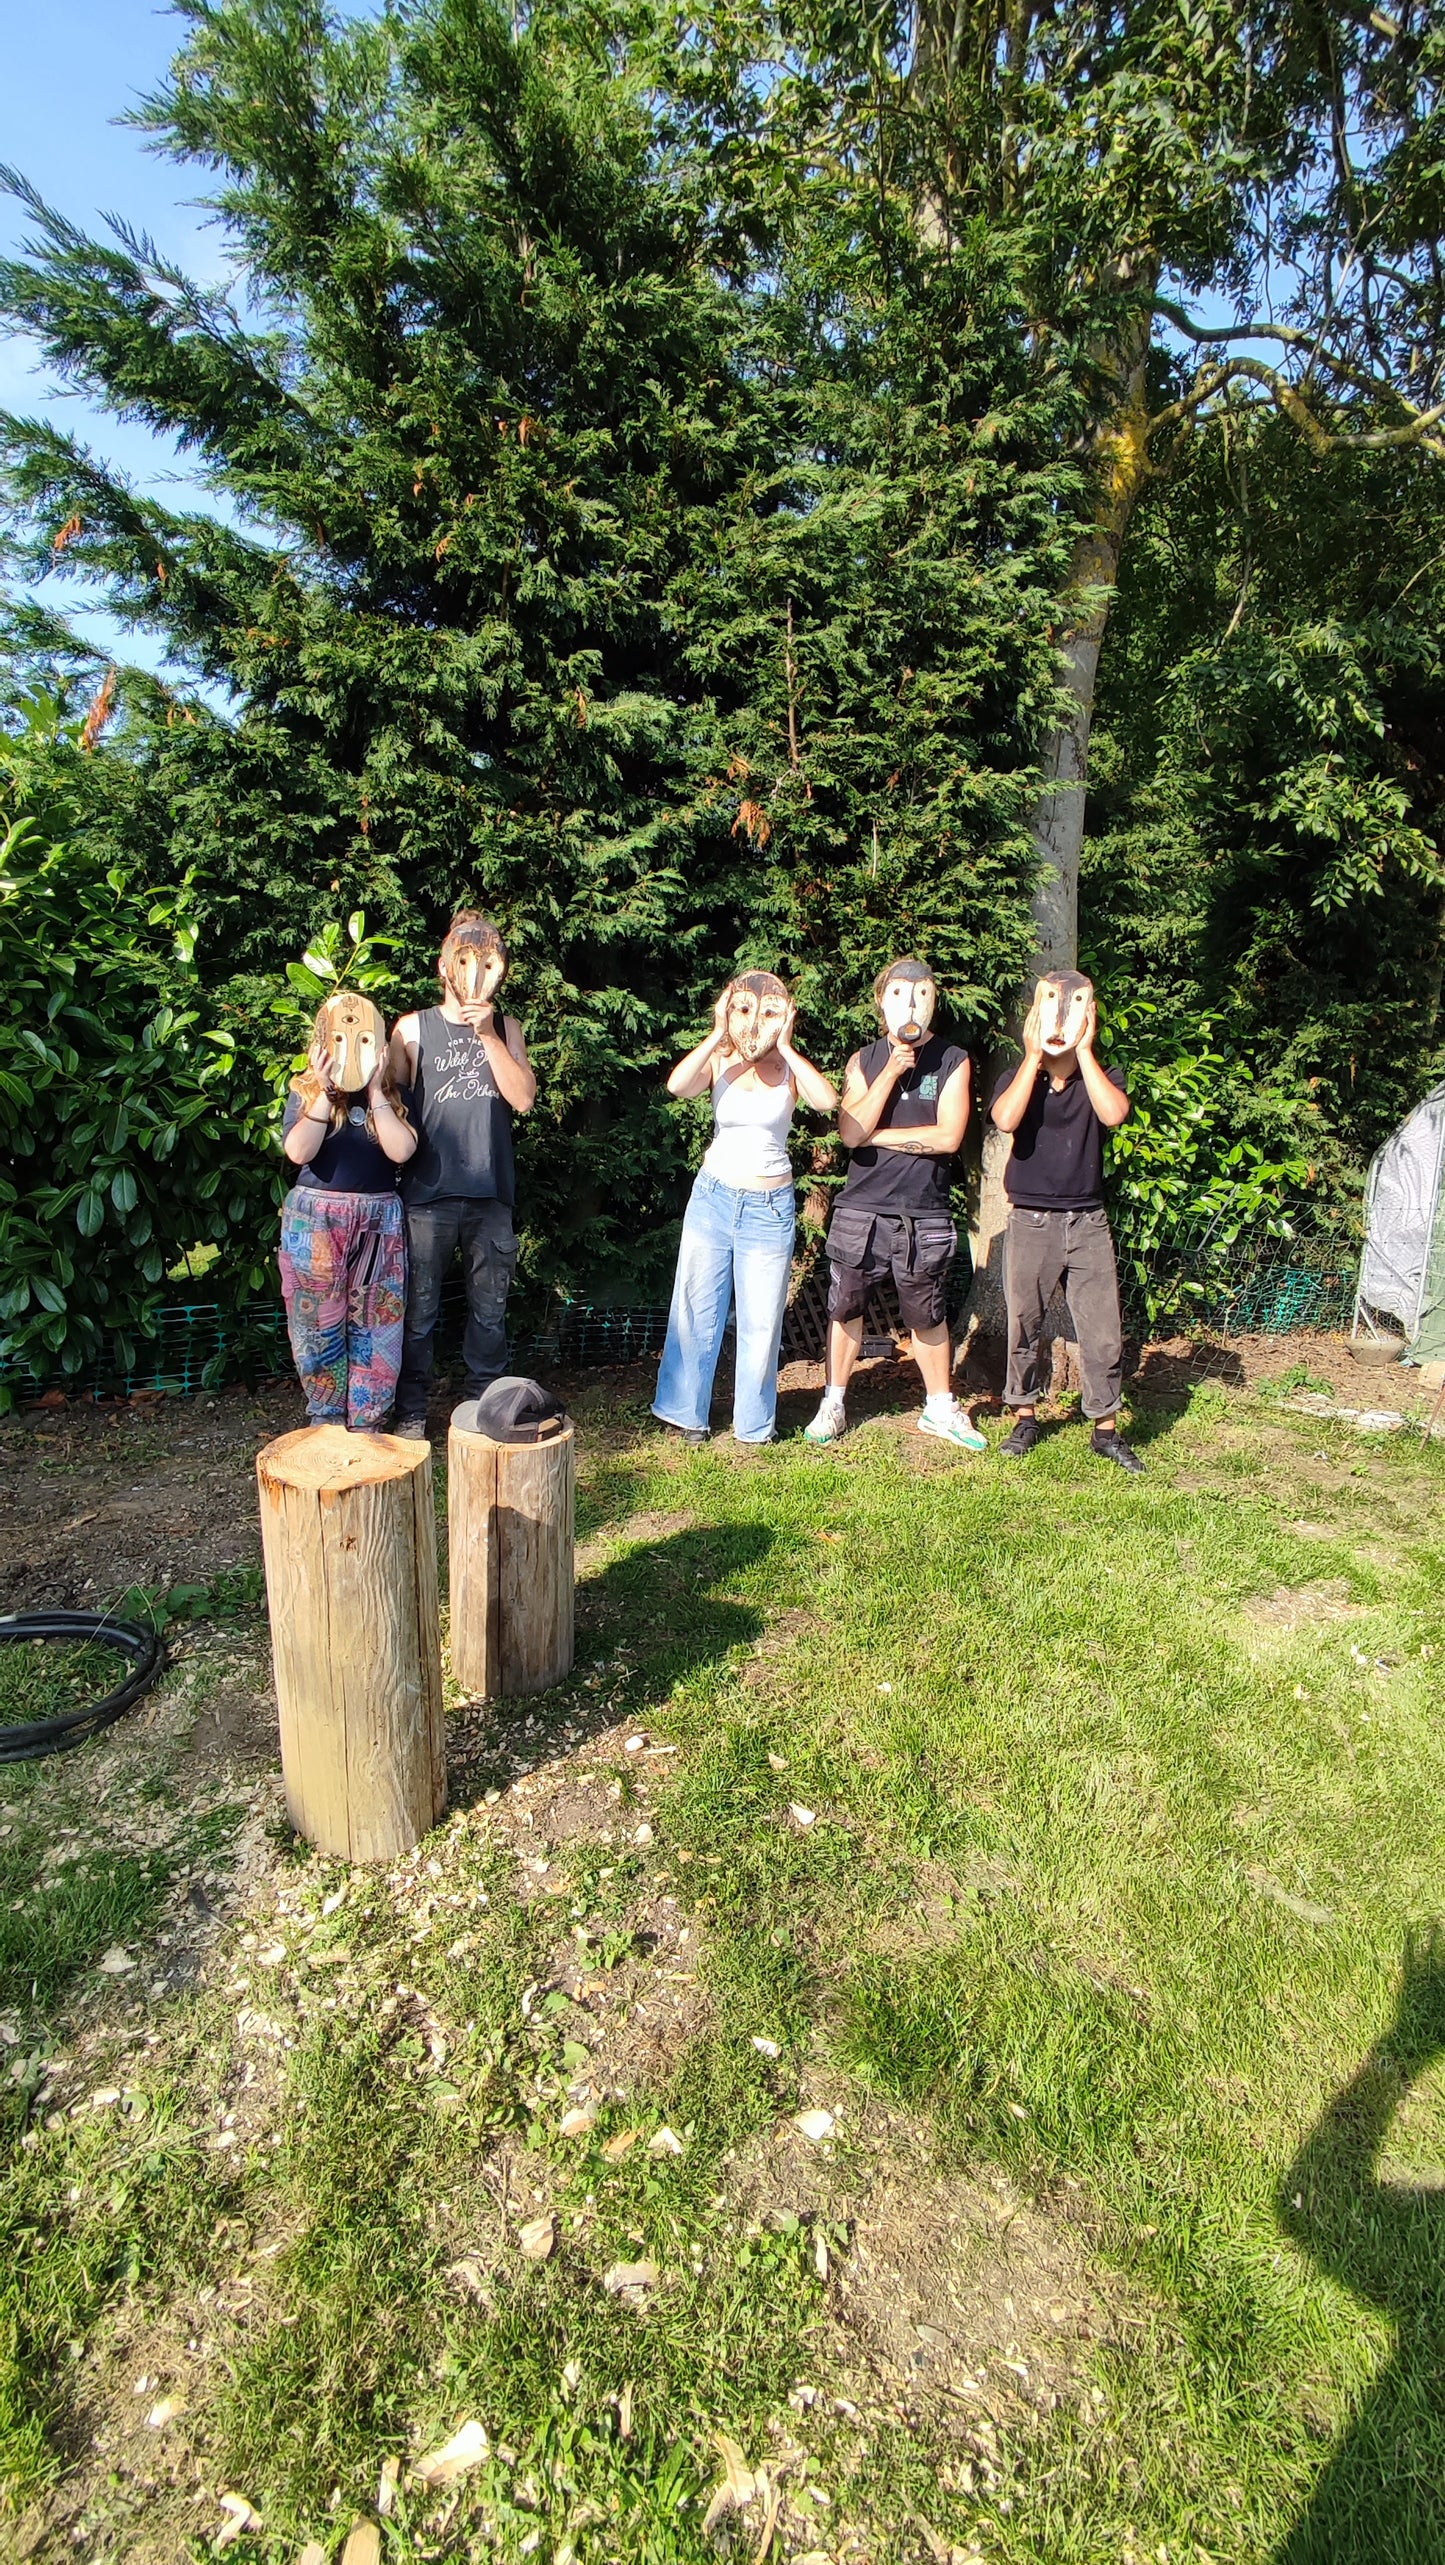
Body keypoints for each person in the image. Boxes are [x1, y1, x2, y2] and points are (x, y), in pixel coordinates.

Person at [805, 957, 985, 1450]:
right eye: (901, 994)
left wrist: (879, 1135)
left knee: (926, 1313)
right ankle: (834, 1402)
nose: (912, 1003)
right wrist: (889, 1071)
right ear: (881, 1002)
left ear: (933, 1001)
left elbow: (949, 1136)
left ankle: (939, 1408)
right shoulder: (863, 1060)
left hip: (924, 1211)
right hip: (861, 1208)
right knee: (845, 1307)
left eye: (923, 994)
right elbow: (848, 1132)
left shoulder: (953, 1059)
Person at [653, 973, 838, 1446]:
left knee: (761, 1318)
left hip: (770, 1209)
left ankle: (754, 1425)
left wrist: (788, 1044)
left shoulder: (791, 1070)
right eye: (743, 1010)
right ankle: (683, 1411)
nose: (755, 1021)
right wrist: (717, 1031)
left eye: (769, 1011)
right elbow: (677, 1086)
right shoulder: (721, 1060)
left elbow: (828, 1101)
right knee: (695, 1307)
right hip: (713, 1199)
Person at [389, 912, 537, 1439]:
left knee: (489, 1313)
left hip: (490, 1196)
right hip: (426, 1197)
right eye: (463, 959)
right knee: (418, 1314)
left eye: (486, 961)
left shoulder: (508, 1028)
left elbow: (522, 1099)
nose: (473, 971)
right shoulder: (411, 1028)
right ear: (444, 965)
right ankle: (410, 1413)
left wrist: (488, 1035)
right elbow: (392, 1102)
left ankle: (481, 1412)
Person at [989, 967, 1142, 1470]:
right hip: (1031, 1221)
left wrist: (1083, 1050)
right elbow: (1005, 1119)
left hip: (1088, 1222)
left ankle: (1105, 1428)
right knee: (1023, 1324)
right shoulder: (1020, 1076)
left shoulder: (1103, 1074)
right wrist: (1034, 1054)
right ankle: (1025, 1417)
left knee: (1102, 1331)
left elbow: (1114, 1113)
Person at [278, 993, 417, 1430]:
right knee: (315, 1322)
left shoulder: (394, 1096)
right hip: (315, 1220)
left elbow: (402, 1150)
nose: (350, 1049)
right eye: (339, 1038)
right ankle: (326, 1420)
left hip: (378, 1220)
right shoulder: (304, 1092)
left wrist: (376, 1090)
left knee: (379, 1323)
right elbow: (298, 1151)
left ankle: (368, 1424)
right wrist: (325, 1092)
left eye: (361, 1041)